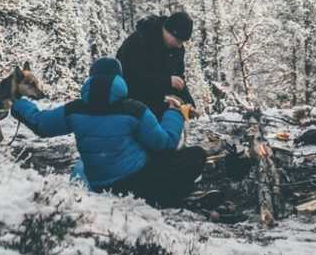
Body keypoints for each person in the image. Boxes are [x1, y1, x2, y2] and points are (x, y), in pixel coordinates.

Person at [11, 57, 207, 208]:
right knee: (196, 155)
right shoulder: (134, 109)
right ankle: (169, 196)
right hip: (136, 183)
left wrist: (17, 102)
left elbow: (40, 124)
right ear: (119, 79)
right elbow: (166, 143)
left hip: (99, 184)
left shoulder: (75, 109)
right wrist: (175, 112)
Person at [116, 11, 196, 117]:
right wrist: (167, 81)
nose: (179, 45)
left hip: (159, 110)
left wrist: (188, 103)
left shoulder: (177, 49)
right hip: (134, 110)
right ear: (168, 31)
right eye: (178, 40)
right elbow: (131, 79)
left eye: (182, 42)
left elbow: (178, 80)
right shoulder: (138, 42)